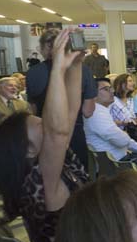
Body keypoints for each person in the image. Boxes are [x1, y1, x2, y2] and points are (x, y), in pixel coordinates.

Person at [0, 29, 89, 242]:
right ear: (27, 149)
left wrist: (76, 65)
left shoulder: (51, 163)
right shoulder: (36, 181)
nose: (47, 124)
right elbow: (59, 131)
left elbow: (69, 114)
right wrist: (57, 68)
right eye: (39, 126)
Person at [26, 28, 96, 168]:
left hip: (43, 136)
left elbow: (32, 111)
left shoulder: (33, 73)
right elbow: (88, 112)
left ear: (45, 47)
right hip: (74, 134)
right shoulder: (84, 71)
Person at [85, 77, 137, 163]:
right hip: (118, 164)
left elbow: (124, 140)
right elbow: (122, 141)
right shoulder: (96, 113)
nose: (112, 91)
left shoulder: (101, 110)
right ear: (93, 95)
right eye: (106, 89)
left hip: (122, 158)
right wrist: (124, 135)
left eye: (111, 88)